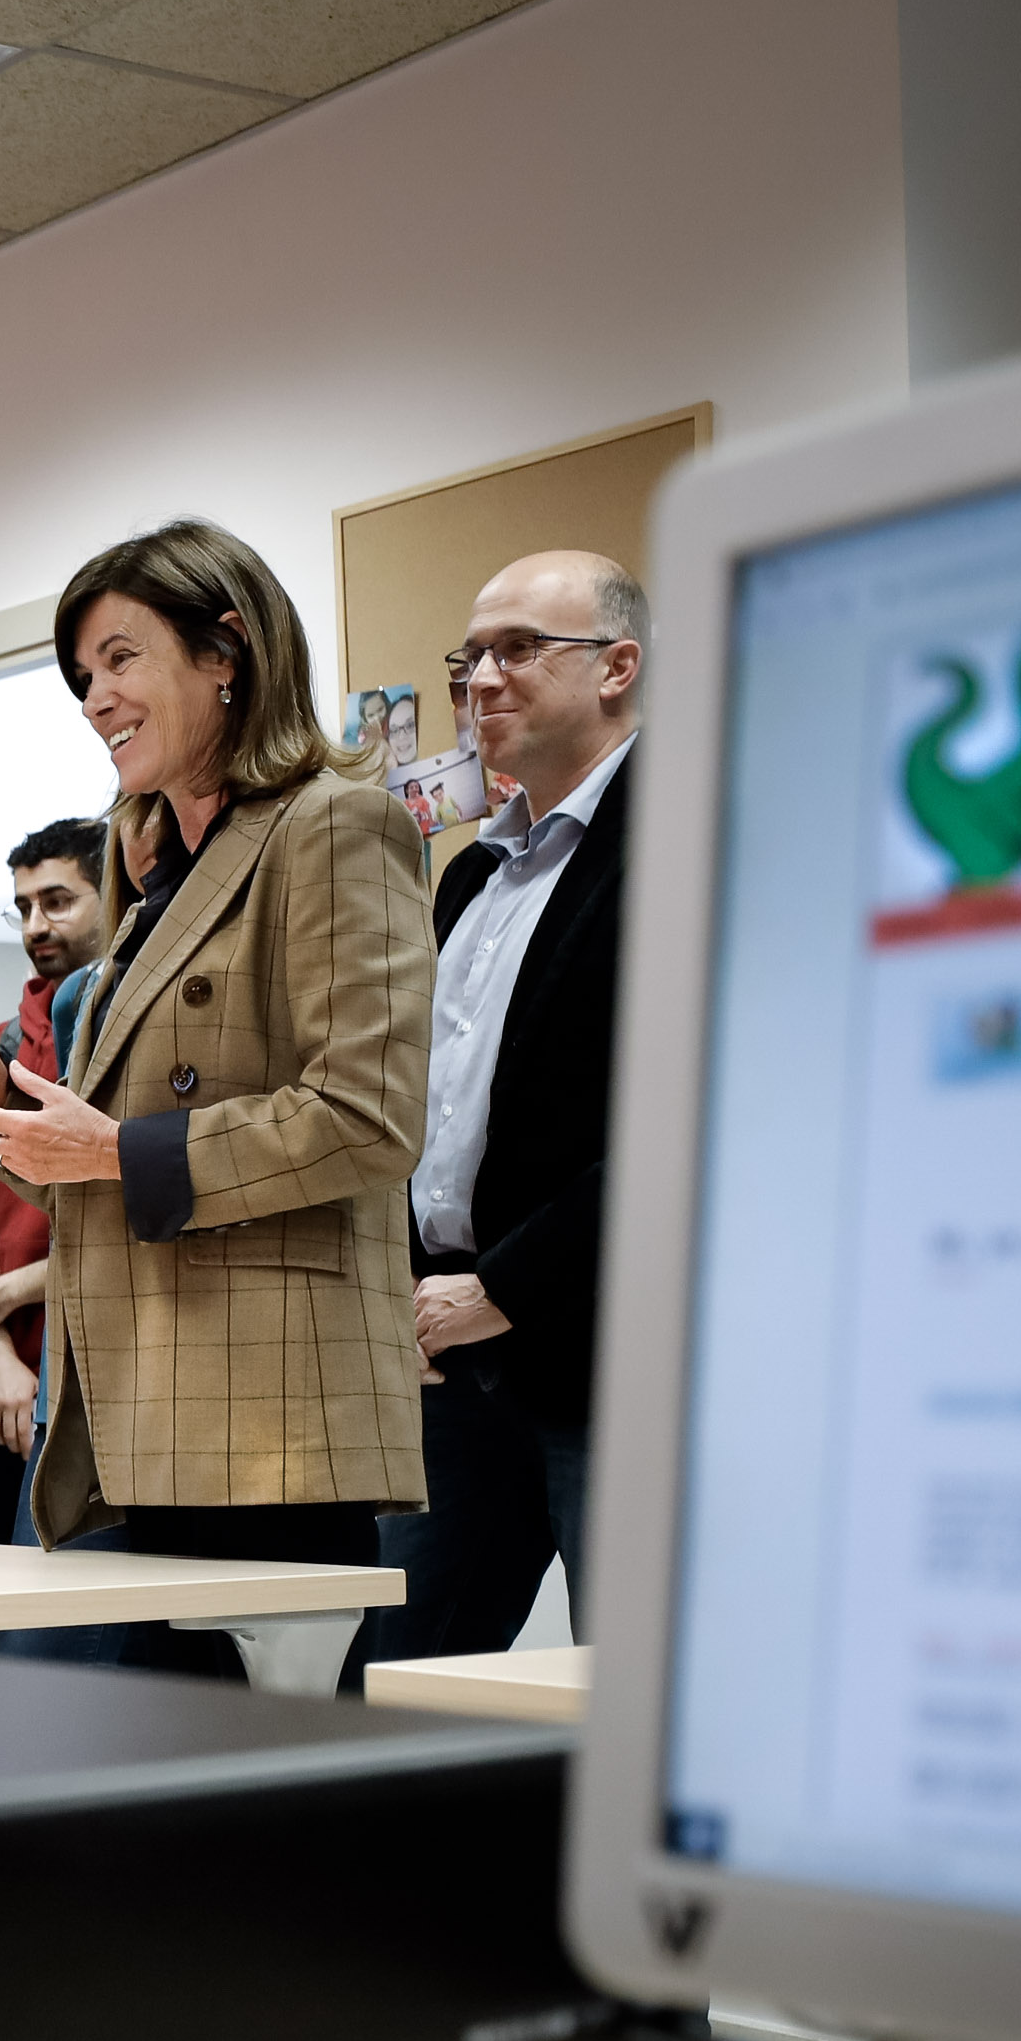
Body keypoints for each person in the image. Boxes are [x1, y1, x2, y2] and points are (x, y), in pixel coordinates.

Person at [0, 520, 432, 1675]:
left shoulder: (336, 822)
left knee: (242, 1809)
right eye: (84, 676)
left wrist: (126, 1151)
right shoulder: (152, 873)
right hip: (138, 1403)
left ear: (226, 651)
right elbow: (85, 1167)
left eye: (121, 658)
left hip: (267, 1416)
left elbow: (371, 1115)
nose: (95, 697)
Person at [361, 550, 643, 1671]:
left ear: (618, 666)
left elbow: (698, 1122)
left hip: (602, 1353)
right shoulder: (469, 878)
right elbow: (426, 1115)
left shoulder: (694, 835)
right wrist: (409, 1285)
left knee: (627, 1697)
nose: (481, 679)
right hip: (449, 1361)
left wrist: (506, 1288)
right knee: (396, 1693)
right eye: (469, 656)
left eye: (520, 649)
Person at [0, 820, 113, 1549]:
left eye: (59, 901)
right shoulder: (1, 1039)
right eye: (24, 906)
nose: (38, 925)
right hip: (1, 1375)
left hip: (94, 1361)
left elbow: (119, 1207)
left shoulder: (128, 1033)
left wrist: (9, 1292)